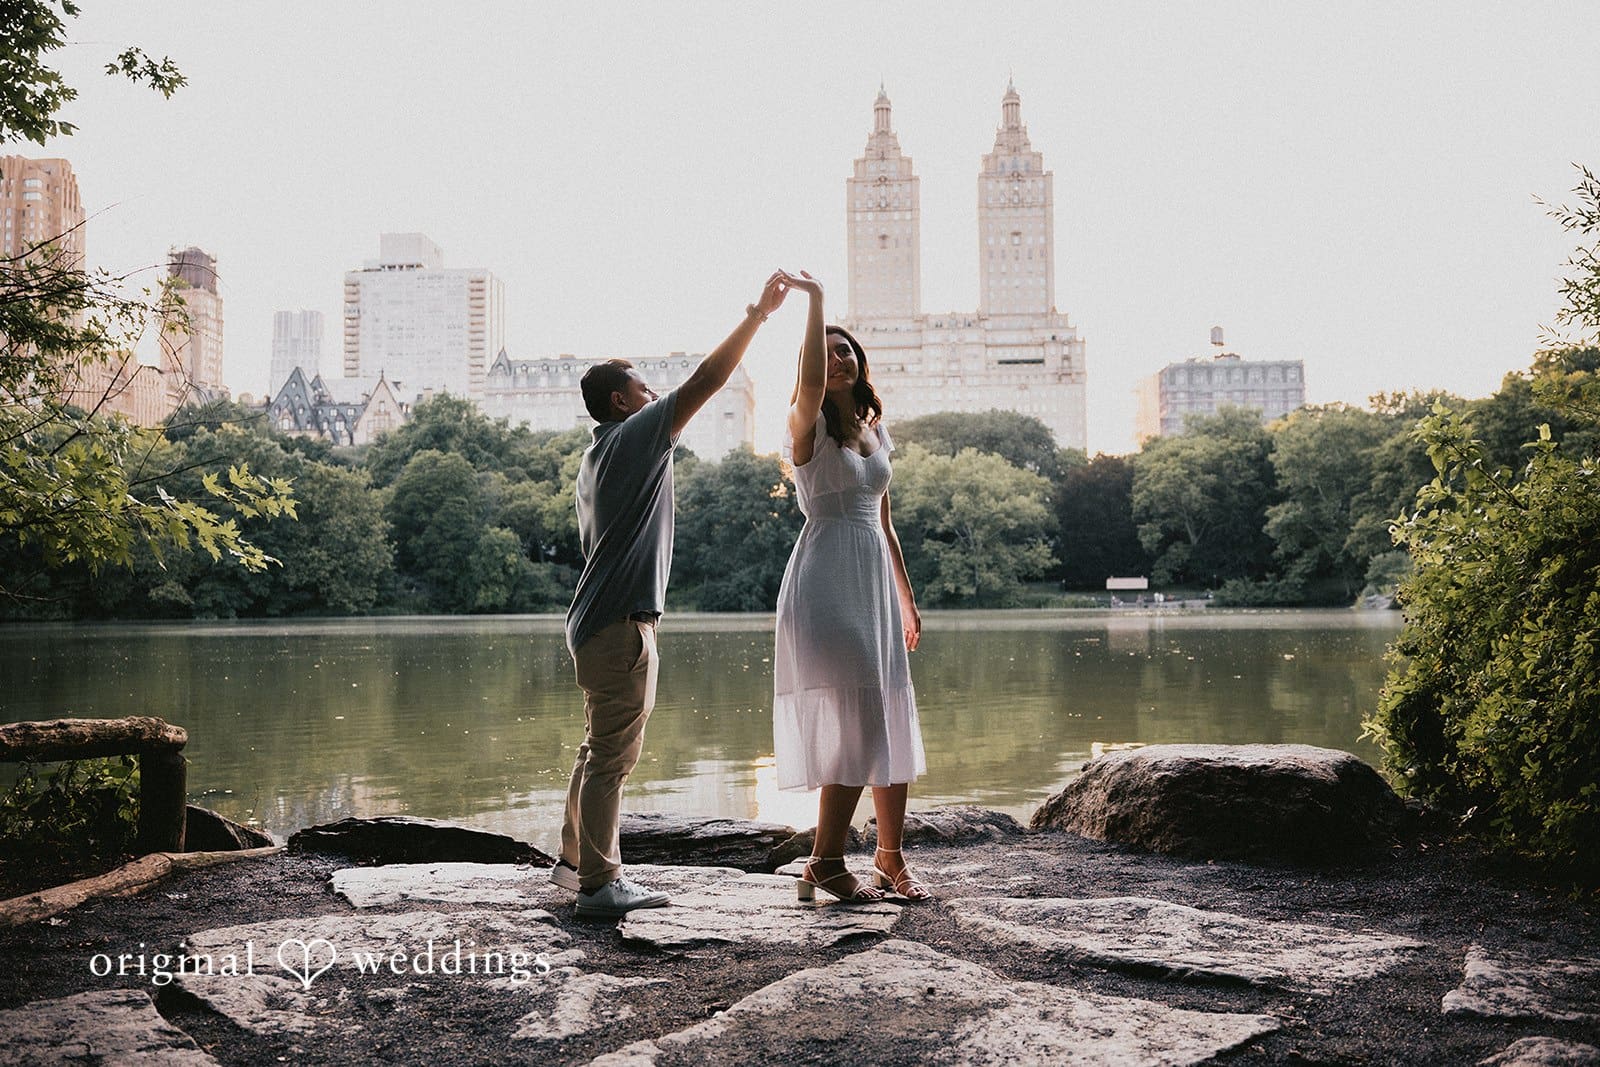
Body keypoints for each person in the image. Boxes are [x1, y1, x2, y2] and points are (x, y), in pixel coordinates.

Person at [553, 271, 789, 919]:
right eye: (642, 387)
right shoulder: (635, 438)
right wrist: (756, 314)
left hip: (596, 622)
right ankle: (601, 884)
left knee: (596, 747)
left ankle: (575, 861)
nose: (655, 395)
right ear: (622, 402)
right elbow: (707, 382)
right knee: (611, 759)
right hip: (620, 625)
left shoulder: (596, 455)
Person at [772, 271, 930, 903]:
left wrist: (907, 599)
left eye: (847, 349)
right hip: (825, 580)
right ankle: (826, 859)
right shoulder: (802, 422)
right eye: (827, 349)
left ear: (861, 364)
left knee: (889, 713)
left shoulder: (874, 428)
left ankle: (889, 859)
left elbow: (885, 523)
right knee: (861, 718)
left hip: (874, 585)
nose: (838, 357)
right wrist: (815, 302)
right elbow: (812, 380)